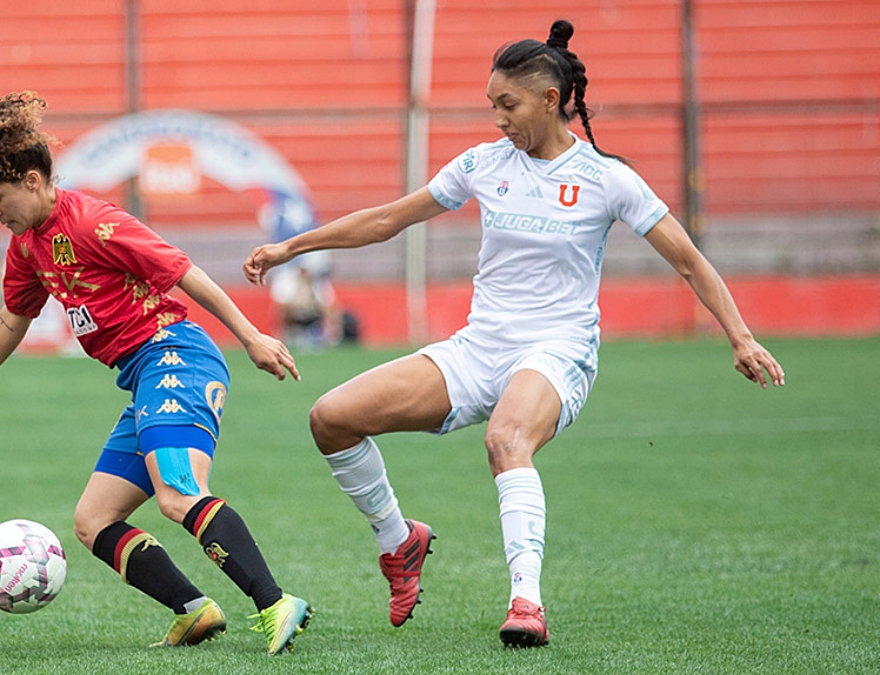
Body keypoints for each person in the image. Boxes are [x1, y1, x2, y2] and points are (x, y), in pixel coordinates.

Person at [243, 20, 785, 648]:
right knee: (331, 418)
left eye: (509, 104)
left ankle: (526, 601)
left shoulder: (607, 178)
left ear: (550, 101)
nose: (498, 118)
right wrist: (290, 247)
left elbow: (689, 259)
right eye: (492, 106)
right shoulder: (484, 163)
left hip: (558, 350)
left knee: (506, 438)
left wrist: (741, 337)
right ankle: (399, 543)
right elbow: (390, 218)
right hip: (479, 349)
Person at [0, 91, 313, 655]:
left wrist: (251, 336)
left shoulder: (93, 223)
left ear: (32, 181)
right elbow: (13, 317)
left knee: (178, 493)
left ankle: (277, 604)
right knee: (92, 520)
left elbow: (182, 271)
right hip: (142, 375)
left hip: (174, 354)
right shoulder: (28, 246)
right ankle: (193, 610)